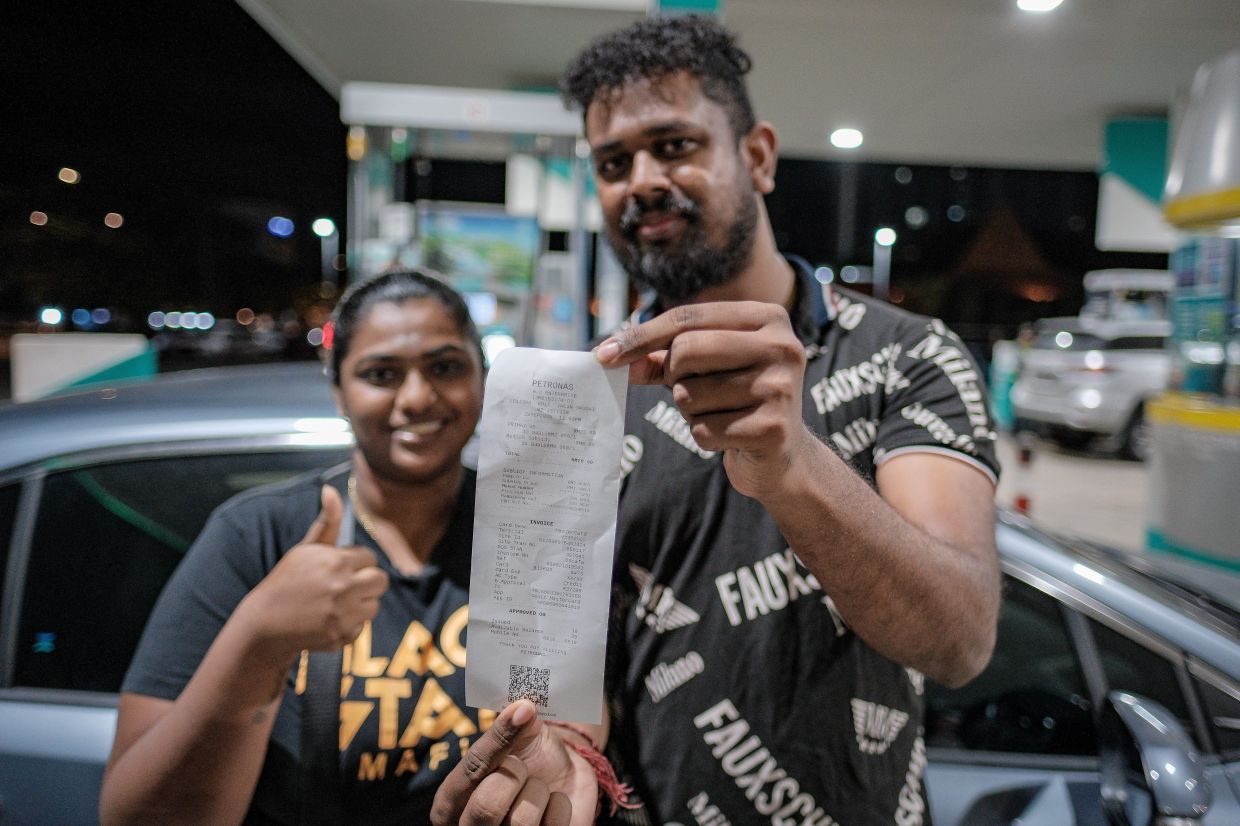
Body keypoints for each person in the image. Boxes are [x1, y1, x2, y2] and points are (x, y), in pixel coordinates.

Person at [561, 15, 1001, 825]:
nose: (643, 181)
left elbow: (960, 639)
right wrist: (550, 745)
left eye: (674, 145)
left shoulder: (905, 355)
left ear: (758, 157)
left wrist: (795, 464)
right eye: (613, 163)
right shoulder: (591, 388)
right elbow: (571, 658)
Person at [100, 269, 596, 825]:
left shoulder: (531, 533)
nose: (417, 397)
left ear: (482, 379)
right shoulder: (258, 537)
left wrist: (570, 757)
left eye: (445, 367)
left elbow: (574, 719)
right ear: (339, 391)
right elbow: (135, 817)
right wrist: (260, 639)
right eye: (381, 374)